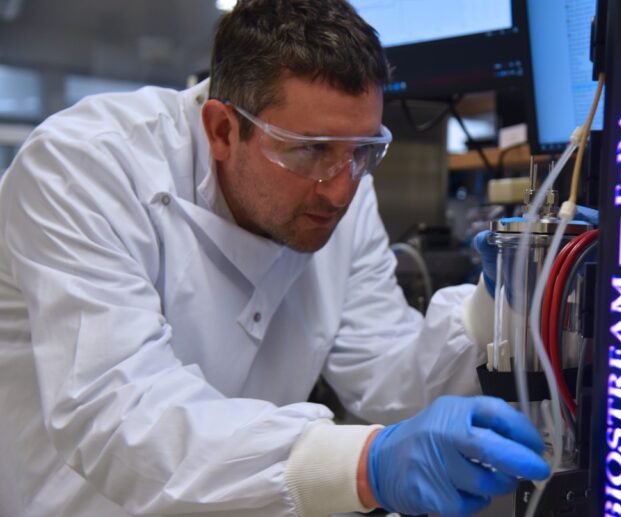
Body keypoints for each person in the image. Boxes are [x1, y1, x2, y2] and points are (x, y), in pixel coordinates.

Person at [0, 1, 550, 516]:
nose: (340, 192)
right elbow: (119, 415)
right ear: (221, 129)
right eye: (309, 150)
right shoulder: (85, 168)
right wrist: (365, 465)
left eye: (363, 152)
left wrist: (495, 310)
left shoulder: (344, 187)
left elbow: (384, 369)